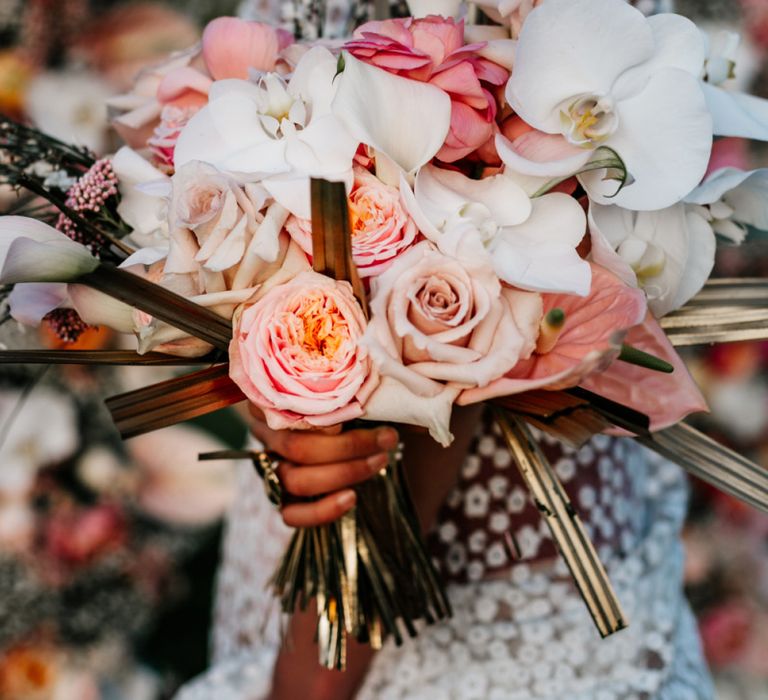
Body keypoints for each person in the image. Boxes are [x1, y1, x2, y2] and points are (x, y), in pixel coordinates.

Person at [176, 1, 716, 698]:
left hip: (474, 583)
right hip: (314, 509)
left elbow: (471, 332)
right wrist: (281, 381)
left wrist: (311, 678)